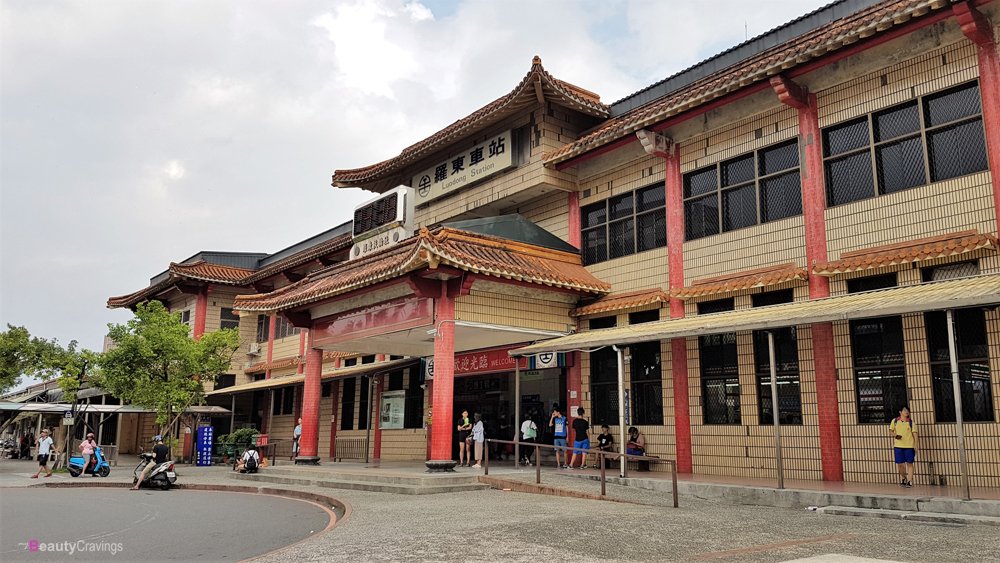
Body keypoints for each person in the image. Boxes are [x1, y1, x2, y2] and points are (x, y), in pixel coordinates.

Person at [890, 406, 917, 488]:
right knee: (900, 464)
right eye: (905, 410)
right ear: (900, 412)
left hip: (909, 446)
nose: (906, 412)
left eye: (908, 410)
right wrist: (895, 435)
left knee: (910, 463)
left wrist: (916, 445)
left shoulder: (911, 422)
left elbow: (915, 434)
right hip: (898, 446)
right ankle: (904, 477)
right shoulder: (895, 421)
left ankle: (909, 481)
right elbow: (890, 430)